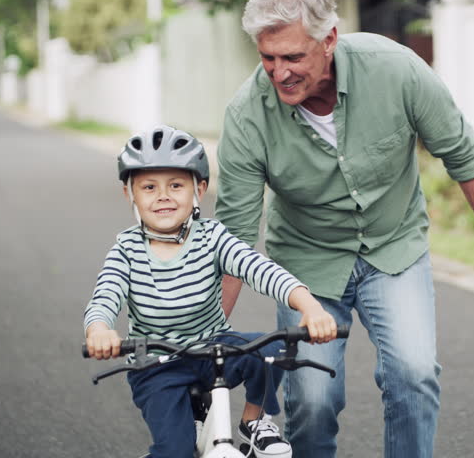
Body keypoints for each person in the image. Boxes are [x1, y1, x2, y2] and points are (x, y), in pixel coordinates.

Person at [214, 0, 474, 456]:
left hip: (393, 247)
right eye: (268, 58)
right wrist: (206, 327)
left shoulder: (396, 70)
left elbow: (465, 155)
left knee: (414, 373)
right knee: (314, 401)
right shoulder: (246, 116)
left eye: (293, 57)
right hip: (306, 261)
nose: (279, 74)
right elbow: (234, 233)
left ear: (330, 39)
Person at [83, 124, 338, 458]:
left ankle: (255, 421)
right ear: (130, 194)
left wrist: (310, 307)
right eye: (148, 187)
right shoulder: (126, 250)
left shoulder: (212, 237)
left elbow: (259, 269)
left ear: (199, 190)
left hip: (213, 348)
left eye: (176, 185)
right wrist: (99, 330)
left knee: (270, 348)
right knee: (174, 451)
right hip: (158, 364)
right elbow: (105, 297)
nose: (163, 195)